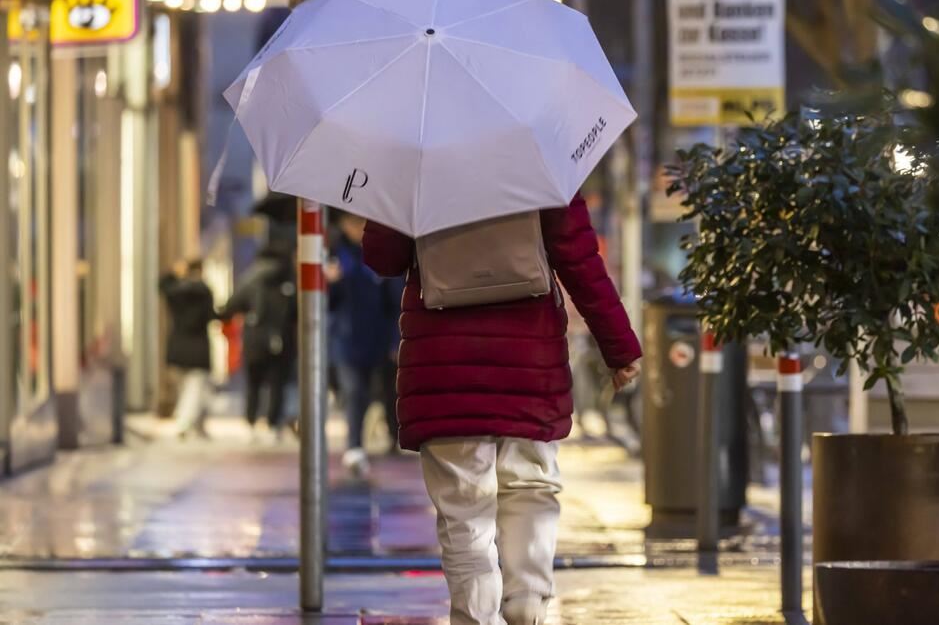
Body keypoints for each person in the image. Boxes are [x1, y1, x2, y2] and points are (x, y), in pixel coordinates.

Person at [362, 194, 642, 625]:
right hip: (531, 363)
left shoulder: (414, 162)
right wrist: (618, 347)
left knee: (464, 512)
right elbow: (578, 259)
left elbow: (382, 256)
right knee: (531, 486)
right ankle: (527, 601)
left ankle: (475, 617)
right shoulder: (541, 155)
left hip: (444, 366)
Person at [326, 212, 403, 477]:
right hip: (346, 340)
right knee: (354, 391)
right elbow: (328, 303)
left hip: (377, 338)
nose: (355, 228)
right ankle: (354, 445)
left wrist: (395, 338)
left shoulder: (380, 255)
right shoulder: (336, 254)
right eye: (350, 223)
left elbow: (394, 301)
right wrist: (330, 283)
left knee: (383, 392)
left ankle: (392, 437)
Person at [220, 239, 297, 441]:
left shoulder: (250, 278)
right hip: (282, 340)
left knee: (253, 383)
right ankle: (272, 424)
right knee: (277, 384)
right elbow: (297, 312)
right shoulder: (289, 280)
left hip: (255, 340)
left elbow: (231, 306)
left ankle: (251, 422)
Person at [159, 259, 217, 439]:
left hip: (178, 345)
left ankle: (195, 424)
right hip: (197, 346)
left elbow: (162, 284)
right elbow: (211, 315)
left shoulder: (176, 291)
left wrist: (174, 271)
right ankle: (185, 422)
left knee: (187, 387)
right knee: (195, 387)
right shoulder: (204, 291)